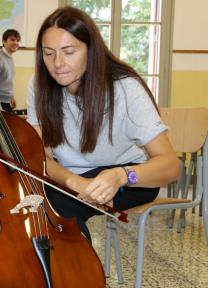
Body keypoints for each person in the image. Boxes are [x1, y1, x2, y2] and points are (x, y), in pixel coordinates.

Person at [26, 6, 180, 242]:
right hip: (71, 177)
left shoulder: (125, 89)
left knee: (58, 208)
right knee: (30, 205)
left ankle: (81, 279)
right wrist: (75, 182)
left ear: (91, 50)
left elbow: (171, 166)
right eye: (48, 53)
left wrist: (120, 176)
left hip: (130, 175)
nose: (57, 63)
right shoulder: (39, 85)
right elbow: (40, 158)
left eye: (69, 51)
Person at [0, 28, 20, 112]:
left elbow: (6, 81)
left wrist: (11, 97)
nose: (16, 43)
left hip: (7, 102)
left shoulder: (10, 57)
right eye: (12, 40)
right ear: (4, 41)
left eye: (18, 40)